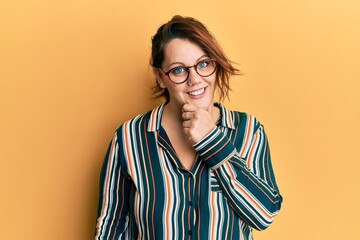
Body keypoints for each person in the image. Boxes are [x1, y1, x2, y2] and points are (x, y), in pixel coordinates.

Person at [94, 15, 282, 240]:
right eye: (179, 70)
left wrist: (213, 141)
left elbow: (263, 216)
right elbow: (110, 229)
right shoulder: (129, 138)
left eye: (203, 64)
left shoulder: (249, 131)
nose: (195, 79)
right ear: (160, 77)